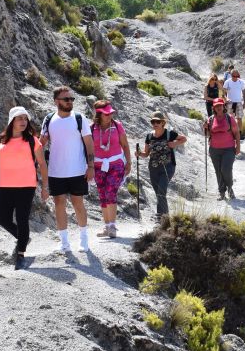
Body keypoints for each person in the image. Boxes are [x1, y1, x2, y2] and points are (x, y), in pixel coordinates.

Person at [0, 106, 47, 270]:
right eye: (20, 118)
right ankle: (23, 239)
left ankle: (21, 254)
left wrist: (45, 187)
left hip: (26, 186)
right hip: (5, 185)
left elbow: (42, 164)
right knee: (4, 220)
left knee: (22, 219)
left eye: (25, 118)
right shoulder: (1, 139)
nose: (23, 121)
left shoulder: (32, 140)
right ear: (12, 120)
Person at [40, 85, 95, 253]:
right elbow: (40, 143)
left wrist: (91, 166)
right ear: (56, 101)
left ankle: (84, 239)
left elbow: (89, 144)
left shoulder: (80, 118)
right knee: (59, 204)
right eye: (66, 99)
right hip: (56, 171)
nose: (70, 101)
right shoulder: (49, 119)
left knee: (78, 203)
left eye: (72, 99)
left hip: (78, 170)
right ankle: (64, 242)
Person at [137, 111, 187, 219]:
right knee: (159, 194)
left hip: (168, 167)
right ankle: (164, 218)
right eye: (153, 121)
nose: (155, 123)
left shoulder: (169, 134)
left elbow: (184, 138)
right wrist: (139, 154)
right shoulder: (149, 136)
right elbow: (146, 154)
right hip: (153, 168)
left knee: (161, 191)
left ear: (162, 123)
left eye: (158, 121)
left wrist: (175, 143)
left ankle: (161, 217)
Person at [92, 100, 130, 239]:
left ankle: (112, 226)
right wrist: (89, 166)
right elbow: (88, 149)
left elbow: (125, 145)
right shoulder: (92, 128)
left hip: (115, 164)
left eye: (111, 113)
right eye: (106, 114)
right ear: (99, 114)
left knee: (110, 192)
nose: (109, 116)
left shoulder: (117, 126)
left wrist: (129, 163)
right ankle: (107, 226)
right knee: (102, 195)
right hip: (98, 165)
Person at [205, 98, 240, 201]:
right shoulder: (210, 119)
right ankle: (221, 192)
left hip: (228, 149)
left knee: (226, 169)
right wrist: (205, 128)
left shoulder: (230, 118)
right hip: (214, 149)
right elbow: (208, 134)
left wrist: (238, 146)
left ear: (223, 106)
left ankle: (229, 188)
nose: (218, 107)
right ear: (213, 108)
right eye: (216, 106)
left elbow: (237, 132)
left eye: (220, 105)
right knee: (218, 171)